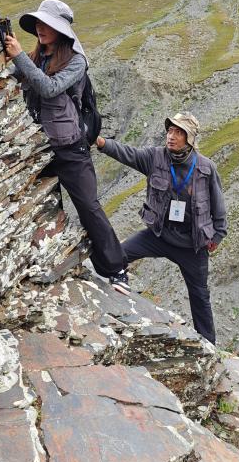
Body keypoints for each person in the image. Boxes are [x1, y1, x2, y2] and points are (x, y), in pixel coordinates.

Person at [3, 0, 131, 294]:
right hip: (40, 148)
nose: (40, 28)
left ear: (61, 30)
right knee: (46, 204)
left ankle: (116, 269)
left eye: (46, 24)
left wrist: (19, 56)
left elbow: (49, 88)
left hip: (71, 148)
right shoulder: (36, 57)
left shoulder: (76, 61)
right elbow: (12, 79)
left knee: (88, 206)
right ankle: (54, 261)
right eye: (38, 23)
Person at [95, 112, 226, 343]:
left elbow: (219, 206)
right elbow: (128, 153)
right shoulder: (154, 157)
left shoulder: (206, 168)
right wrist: (101, 142)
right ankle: (116, 284)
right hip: (158, 236)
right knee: (116, 255)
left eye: (178, 132)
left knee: (200, 296)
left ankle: (209, 346)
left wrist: (216, 237)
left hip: (191, 246)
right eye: (170, 131)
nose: (171, 136)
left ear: (189, 138)